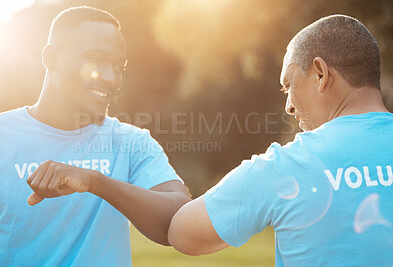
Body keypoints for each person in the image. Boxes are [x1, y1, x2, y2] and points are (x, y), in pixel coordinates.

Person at [168, 14, 393, 266]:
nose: (288, 107)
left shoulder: (284, 166)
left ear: (321, 74)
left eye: (289, 85)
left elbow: (182, 233)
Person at [0, 6, 191, 266]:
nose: (111, 79)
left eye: (119, 67)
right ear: (51, 58)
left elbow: (180, 222)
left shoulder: (131, 142)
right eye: (96, 59)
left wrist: (95, 183)